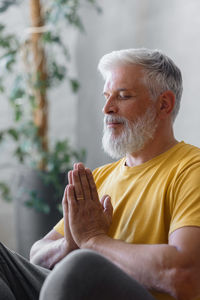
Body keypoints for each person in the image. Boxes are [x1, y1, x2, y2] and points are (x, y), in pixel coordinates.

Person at [0, 48, 200, 300]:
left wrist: (95, 241)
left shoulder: (191, 169)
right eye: (106, 96)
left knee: (79, 267)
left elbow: (184, 275)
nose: (107, 108)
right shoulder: (101, 177)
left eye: (123, 96)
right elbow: (37, 253)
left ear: (164, 104)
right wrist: (69, 244)